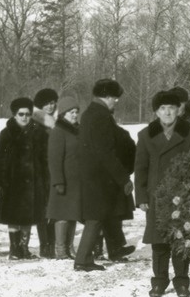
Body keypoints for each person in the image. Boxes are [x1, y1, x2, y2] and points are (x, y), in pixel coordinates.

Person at [135, 91, 190, 297]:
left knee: (182, 240)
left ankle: (182, 281)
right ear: (156, 111)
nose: (167, 112)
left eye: (171, 108)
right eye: (162, 108)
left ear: (178, 110)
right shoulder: (146, 135)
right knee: (159, 242)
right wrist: (142, 198)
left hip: (183, 197)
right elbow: (141, 169)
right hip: (157, 197)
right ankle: (159, 281)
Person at [73, 79, 136, 272]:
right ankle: (83, 259)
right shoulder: (100, 115)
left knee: (105, 213)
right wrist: (122, 178)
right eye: (114, 98)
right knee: (96, 217)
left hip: (93, 174)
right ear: (107, 96)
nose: (115, 102)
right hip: (99, 176)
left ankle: (116, 248)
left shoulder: (91, 113)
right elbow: (105, 151)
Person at [0, 97, 49, 260]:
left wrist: (44, 181)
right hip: (12, 182)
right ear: (14, 115)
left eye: (28, 114)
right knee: (13, 216)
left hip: (33, 182)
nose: (25, 117)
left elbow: (44, 160)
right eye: (21, 114)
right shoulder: (6, 133)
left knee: (29, 216)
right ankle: (14, 248)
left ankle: (24, 248)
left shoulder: (39, 134)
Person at [47, 97, 81, 260]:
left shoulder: (77, 130)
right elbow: (54, 159)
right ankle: (60, 249)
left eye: (76, 112)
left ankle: (69, 247)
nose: (74, 115)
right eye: (71, 112)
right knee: (62, 214)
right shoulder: (58, 131)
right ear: (63, 114)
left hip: (76, 181)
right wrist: (58, 181)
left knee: (73, 214)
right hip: (63, 181)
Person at [32, 87, 58, 258]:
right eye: (47, 103)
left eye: (53, 103)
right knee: (42, 210)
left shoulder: (54, 123)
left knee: (54, 208)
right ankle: (44, 245)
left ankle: (52, 243)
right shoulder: (35, 122)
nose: (50, 106)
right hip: (38, 171)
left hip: (52, 171)